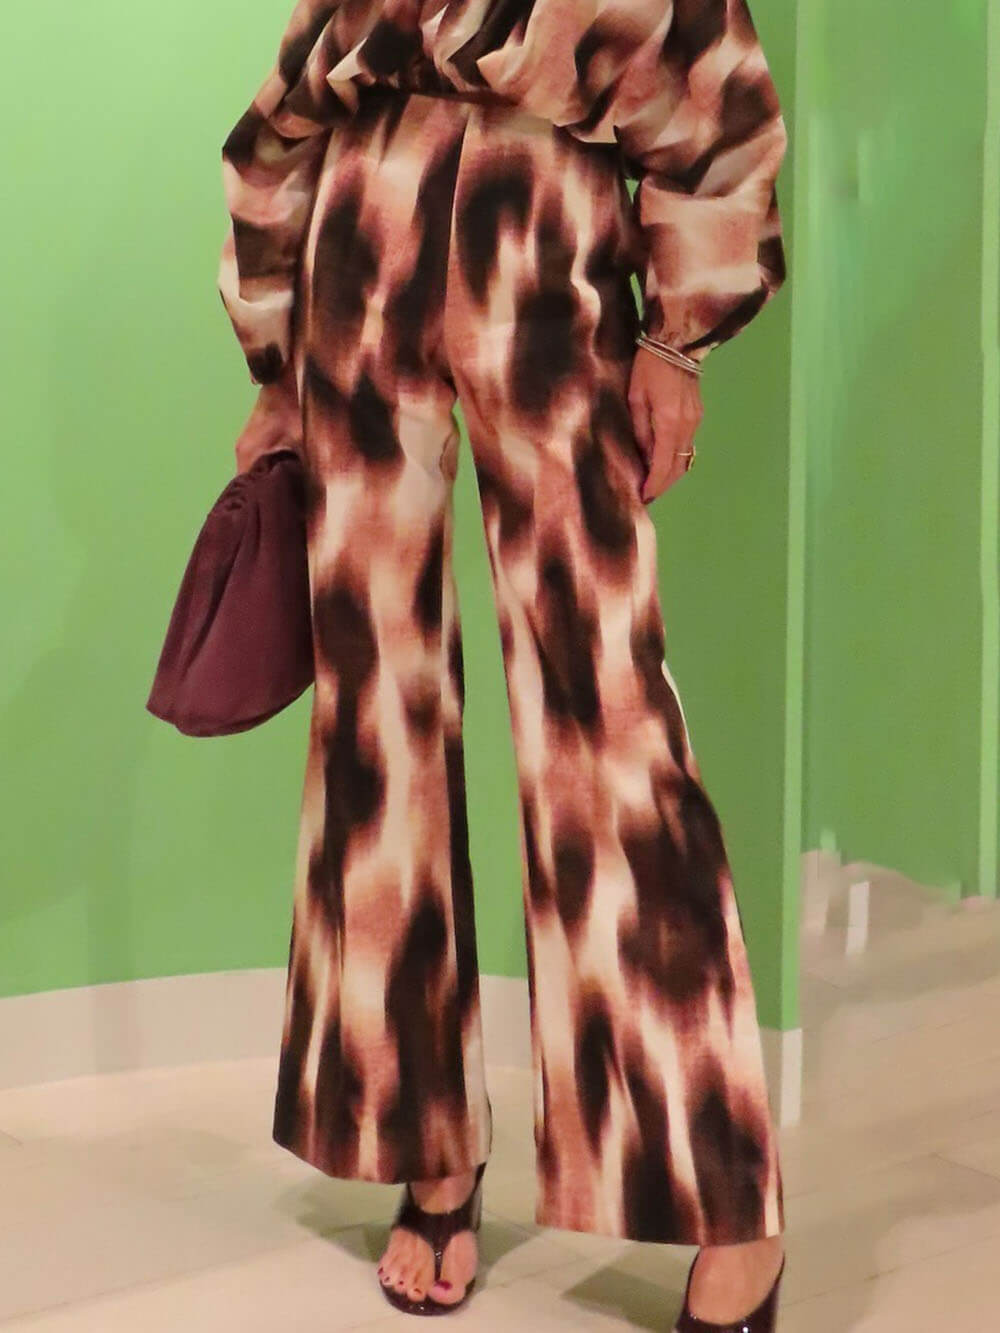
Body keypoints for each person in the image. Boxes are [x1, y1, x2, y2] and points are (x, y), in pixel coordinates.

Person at [217, 1, 789, 1328]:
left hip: (550, 246)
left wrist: (677, 335)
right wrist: (275, 349)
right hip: (357, 253)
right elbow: (297, 91)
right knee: (375, 726)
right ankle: (426, 1140)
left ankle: (723, 1196)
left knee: (607, 721)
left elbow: (705, 73)